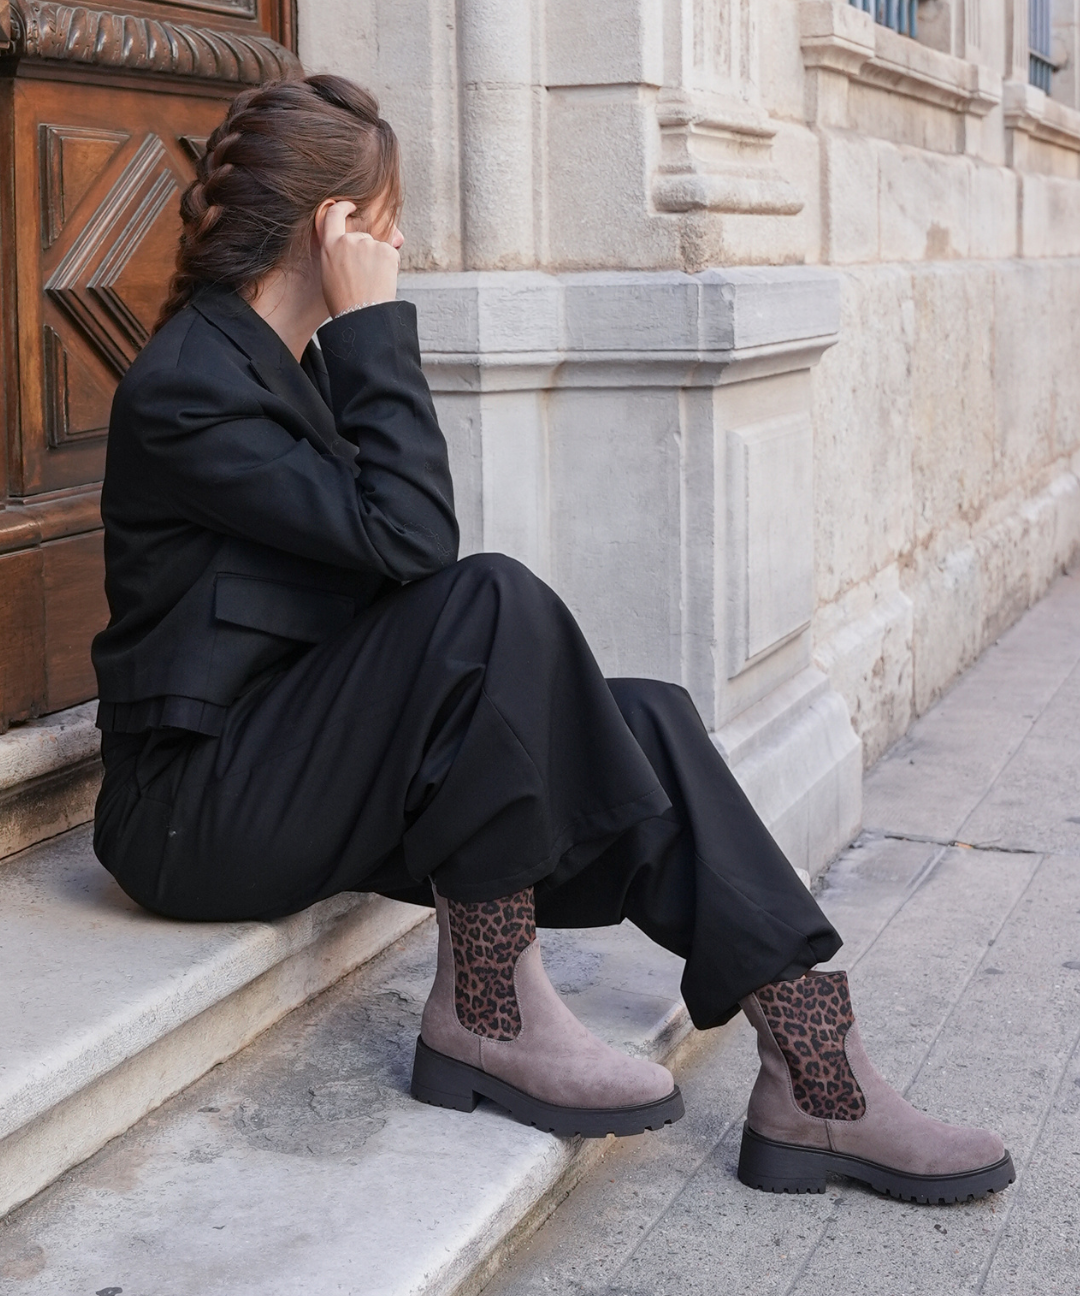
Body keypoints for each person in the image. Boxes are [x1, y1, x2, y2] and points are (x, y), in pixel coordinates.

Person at [92, 74, 1013, 1204]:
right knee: (490, 601)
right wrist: (375, 327)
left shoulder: (290, 371)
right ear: (334, 227)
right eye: (387, 221)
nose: (401, 246)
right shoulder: (187, 385)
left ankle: (818, 1069)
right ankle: (489, 1006)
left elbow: (386, 571)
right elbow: (414, 542)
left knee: (648, 720)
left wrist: (355, 349)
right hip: (192, 811)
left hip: (300, 764)